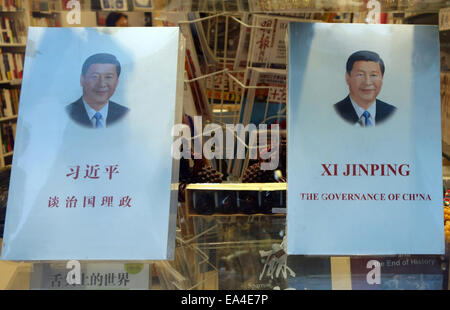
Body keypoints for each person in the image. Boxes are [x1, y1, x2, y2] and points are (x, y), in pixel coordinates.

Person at [334, 50, 396, 127]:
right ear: (347, 78)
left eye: (373, 75)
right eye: (360, 74)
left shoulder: (391, 112)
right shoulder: (335, 113)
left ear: (382, 78)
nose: (367, 82)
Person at [66, 53, 129, 128]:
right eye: (94, 77)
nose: (101, 84)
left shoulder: (125, 115)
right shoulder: (67, 114)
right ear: (82, 80)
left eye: (108, 77)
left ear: (116, 82)